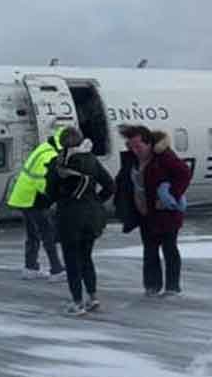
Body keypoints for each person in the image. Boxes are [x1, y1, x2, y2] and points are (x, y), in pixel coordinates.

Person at [114, 125, 191, 297]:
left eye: (138, 146)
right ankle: (152, 286)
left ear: (148, 144)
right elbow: (123, 180)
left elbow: (184, 173)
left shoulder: (163, 157)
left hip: (166, 214)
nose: (135, 150)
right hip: (144, 213)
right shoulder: (131, 160)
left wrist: (171, 195)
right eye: (131, 146)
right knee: (149, 250)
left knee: (169, 248)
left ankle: (172, 287)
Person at [45, 128, 115, 316]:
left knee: (71, 259)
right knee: (86, 257)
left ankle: (77, 301)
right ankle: (93, 297)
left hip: (70, 216)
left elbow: (49, 192)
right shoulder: (92, 160)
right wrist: (96, 201)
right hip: (92, 216)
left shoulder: (59, 162)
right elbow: (110, 185)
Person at [6, 127, 66, 281]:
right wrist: (54, 198)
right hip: (34, 199)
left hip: (23, 196)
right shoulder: (50, 156)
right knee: (47, 234)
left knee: (33, 234)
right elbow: (42, 182)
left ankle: (30, 267)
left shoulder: (44, 148)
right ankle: (57, 269)